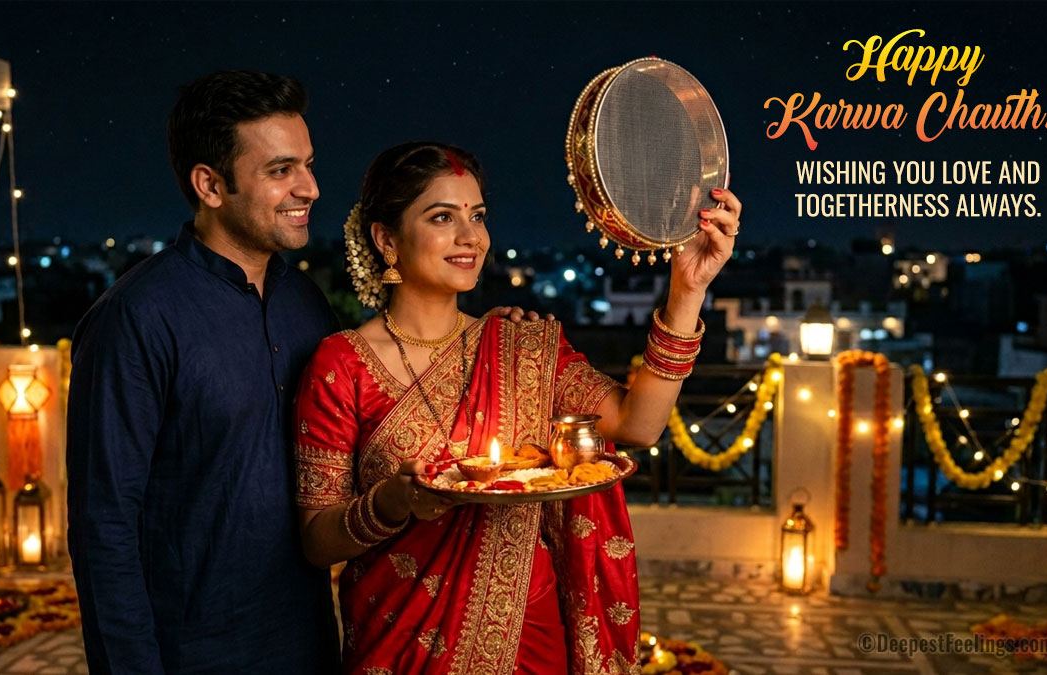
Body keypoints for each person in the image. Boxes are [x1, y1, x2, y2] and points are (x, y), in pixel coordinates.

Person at [295, 142, 739, 673]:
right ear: (386, 239)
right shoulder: (341, 364)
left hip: (529, 641)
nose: (471, 237)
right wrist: (391, 503)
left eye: (478, 216)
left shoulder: (521, 347)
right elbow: (317, 541)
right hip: (398, 644)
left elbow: (639, 424)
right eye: (443, 217)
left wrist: (687, 291)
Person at [65, 70, 340, 673]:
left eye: (308, 165)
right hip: (192, 654)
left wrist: (483, 341)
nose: (311, 188)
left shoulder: (307, 305)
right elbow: (104, 527)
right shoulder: (135, 318)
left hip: (309, 645)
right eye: (281, 170)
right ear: (210, 185)